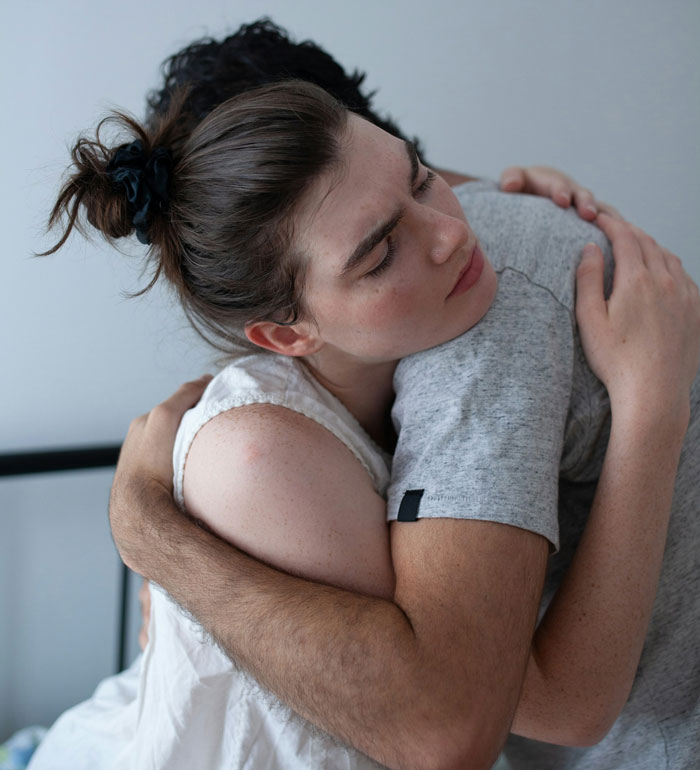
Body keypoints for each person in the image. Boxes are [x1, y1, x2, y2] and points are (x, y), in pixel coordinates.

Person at [29, 73, 700, 770]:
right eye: (380, 253)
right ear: (287, 337)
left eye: (419, 179)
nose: (451, 232)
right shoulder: (260, 452)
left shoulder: (436, 318)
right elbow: (463, 710)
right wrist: (653, 406)